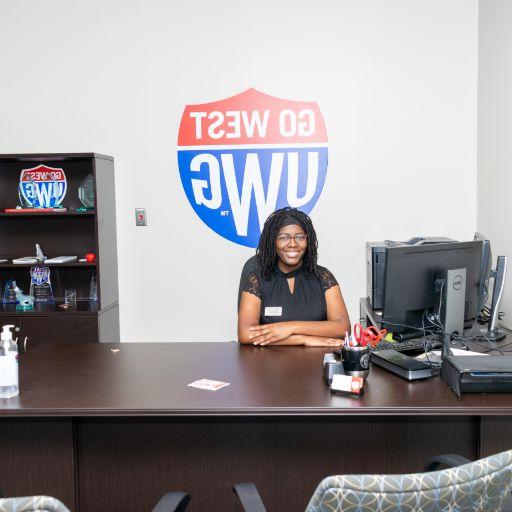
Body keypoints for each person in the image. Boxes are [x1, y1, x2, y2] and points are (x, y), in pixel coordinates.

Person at [238, 208, 350, 346]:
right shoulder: (257, 279)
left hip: (316, 364)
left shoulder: (323, 277)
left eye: (299, 237)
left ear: (307, 240)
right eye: (284, 237)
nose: (292, 244)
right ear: (273, 241)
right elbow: (246, 334)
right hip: (269, 364)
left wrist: (290, 327)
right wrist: (303, 339)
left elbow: (343, 327)